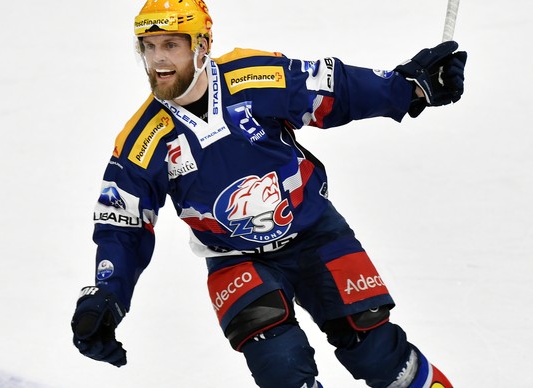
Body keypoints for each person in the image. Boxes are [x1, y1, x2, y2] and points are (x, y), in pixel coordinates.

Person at [71, 1, 467, 387]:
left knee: (377, 352)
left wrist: (409, 88)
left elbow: (334, 90)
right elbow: (123, 225)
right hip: (233, 260)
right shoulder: (143, 139)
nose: (158, 59)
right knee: (281, 369)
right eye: (149, 46)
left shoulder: (253, 75)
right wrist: (107, 294)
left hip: (315, 233)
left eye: (172, 44)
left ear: (202, 46)